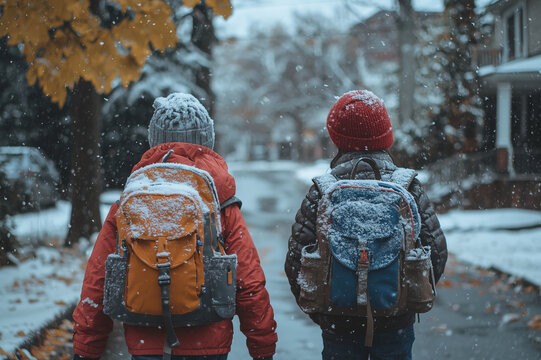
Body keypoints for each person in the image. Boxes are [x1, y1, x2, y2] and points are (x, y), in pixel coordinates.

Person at [73, 93, 277, 360]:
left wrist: (85, 348)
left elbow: (98, 279)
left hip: (146, 338)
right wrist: (262, 345)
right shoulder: (219, 200)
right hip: (207, 338)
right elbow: (249, 280)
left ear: (154, 140)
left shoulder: (131, 198)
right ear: (207, 140)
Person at [284, 89, 447, 360]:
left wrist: (324, 310)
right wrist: (403, 303)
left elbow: (296, 261)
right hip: (395, 321)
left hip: (339, 321)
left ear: (336, 138)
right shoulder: (407, 186)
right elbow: (436, 253)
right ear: (386, 136)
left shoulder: (324, 190)